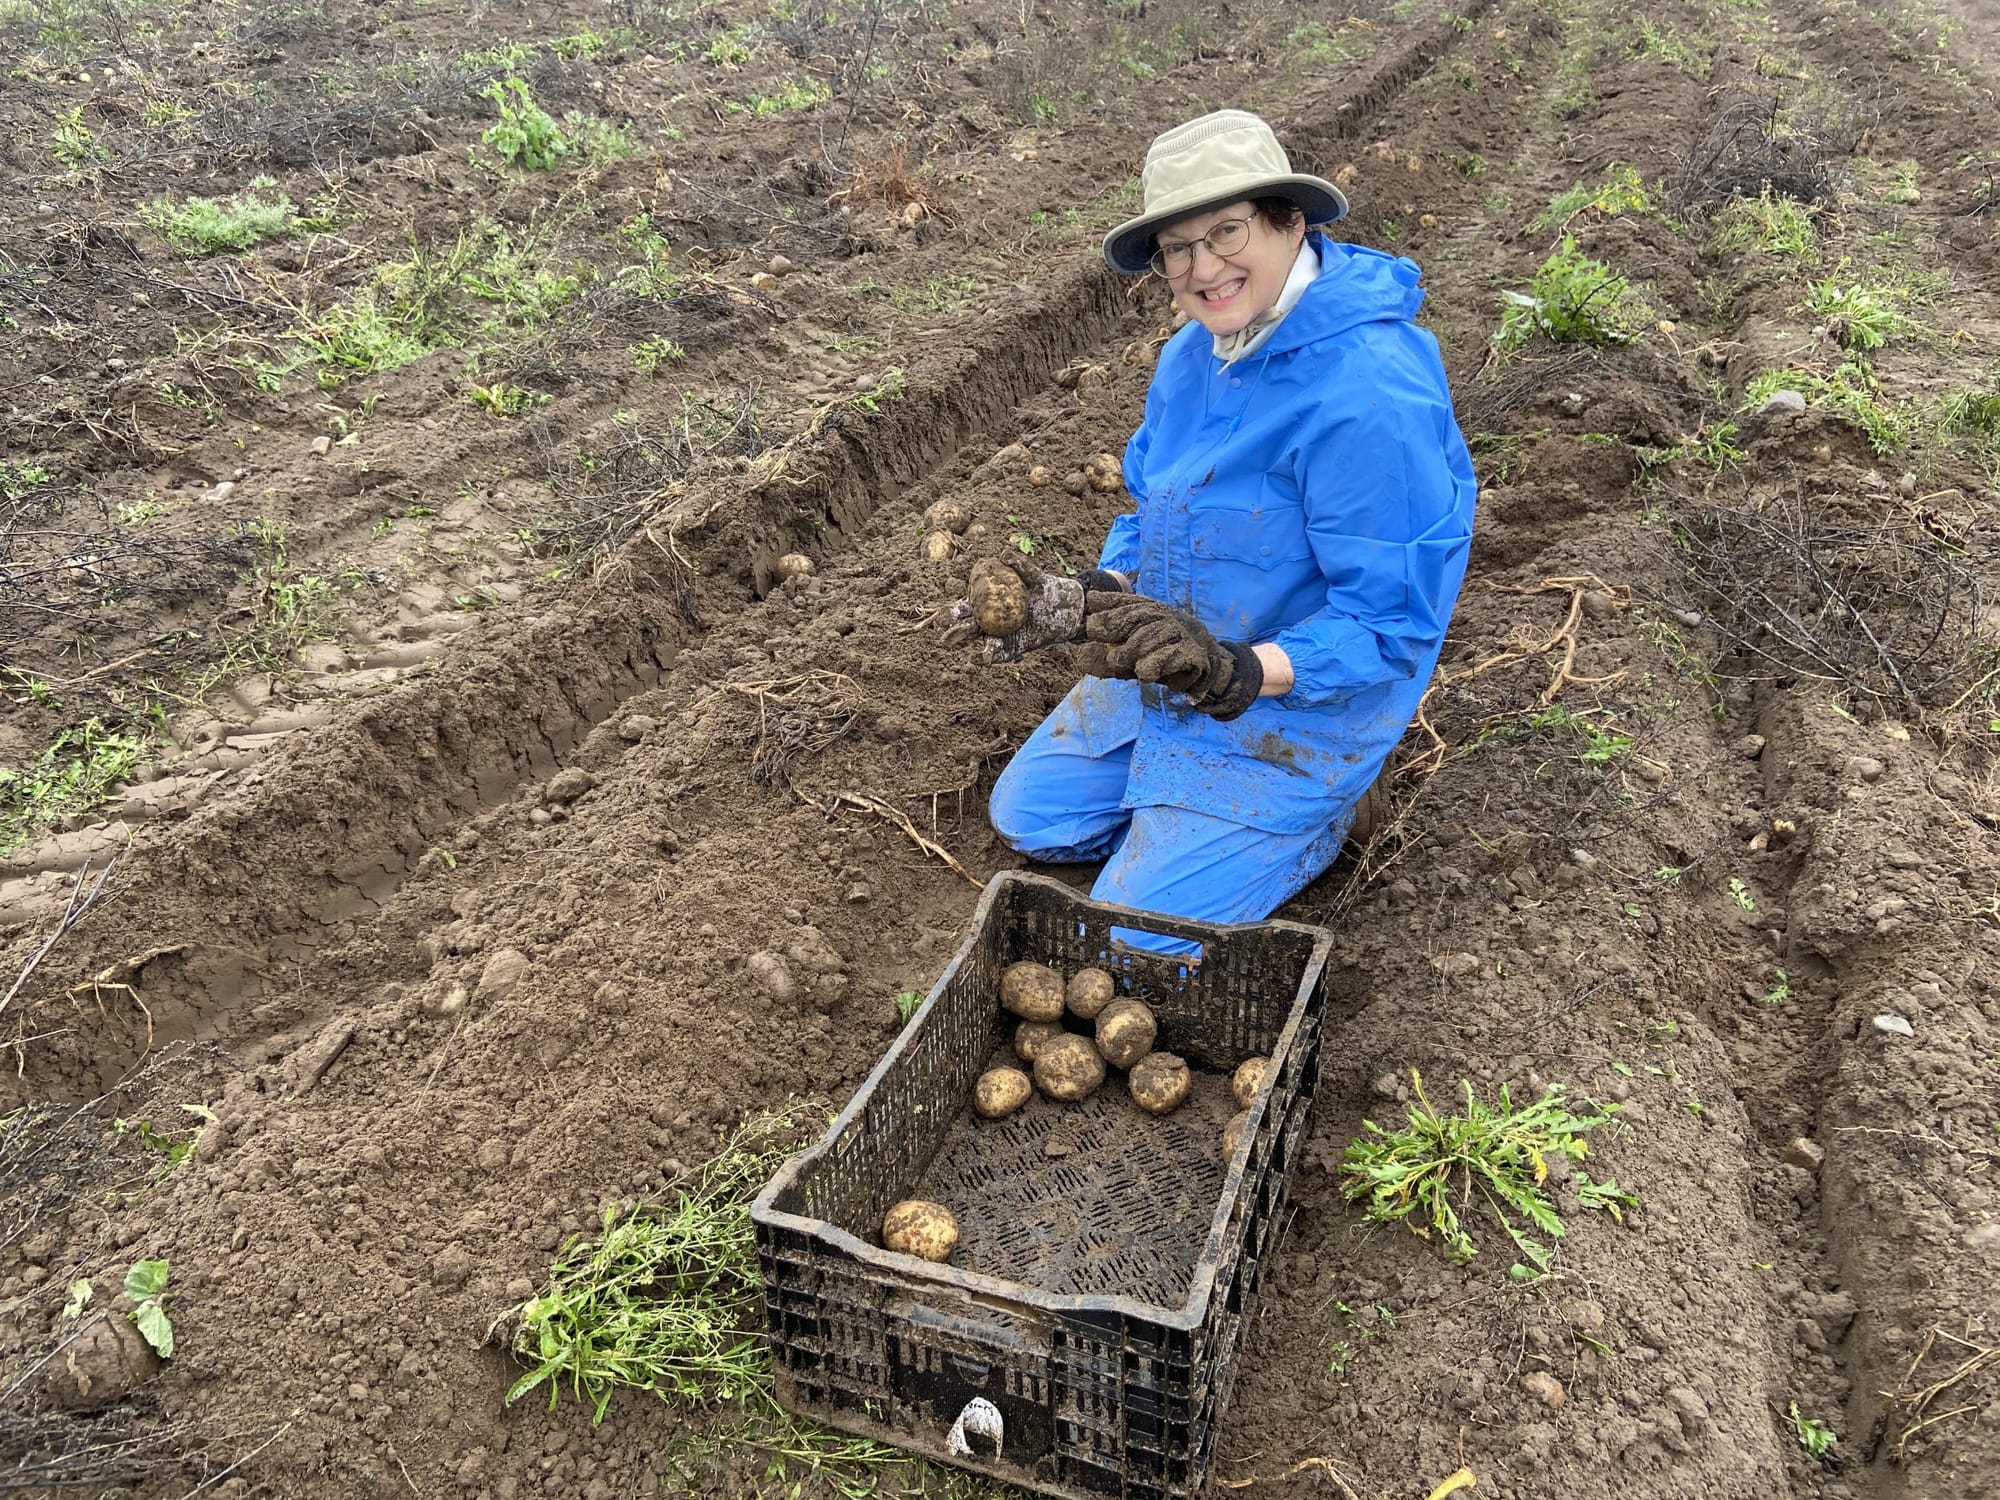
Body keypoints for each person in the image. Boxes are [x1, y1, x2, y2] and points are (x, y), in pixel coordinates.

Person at [957, 108, 1476, 951]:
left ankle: (1326, 814)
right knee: (1031, 820)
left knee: (1136, 939)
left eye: (1227, 232)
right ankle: (1189, 830)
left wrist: (1240, 669)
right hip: (1180, 675)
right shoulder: (1192, 358)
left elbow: (1391, 623)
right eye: (1177, 249)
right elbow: (1153, 513)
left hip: (1301, 705)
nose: (1203, 268)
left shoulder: (1369, 394)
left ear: (1289, 220)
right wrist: (1092, 595)